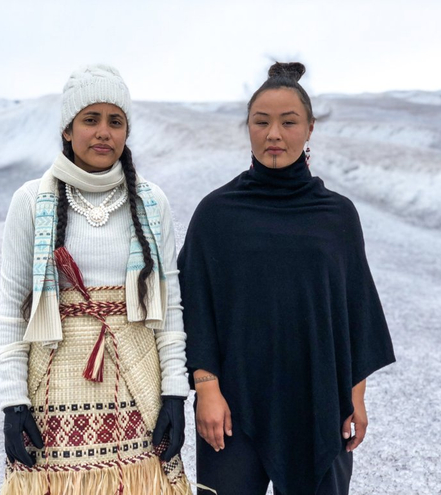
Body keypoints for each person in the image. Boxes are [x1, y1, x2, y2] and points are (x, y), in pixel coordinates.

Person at [178, 62, 396, 495]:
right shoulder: (216, 215)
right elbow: (193, 308)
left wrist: (357, 394)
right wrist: (207, 389)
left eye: (288, 122)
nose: (274, 133)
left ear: (310, 128)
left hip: (319, 405)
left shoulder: (337, 216)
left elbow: (355, 311)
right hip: (232, 410)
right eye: (261, 122)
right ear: (249, 128)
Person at [0, 64, 192, 495]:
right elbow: (13, 307)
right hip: (53, 393)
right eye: (91, 119)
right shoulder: (30, 201)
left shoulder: (152, 202)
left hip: (141, 387)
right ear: (68, 130)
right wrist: (13, 402)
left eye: (115, 121)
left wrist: (176, 394)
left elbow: (171, 304)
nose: (104, 132)